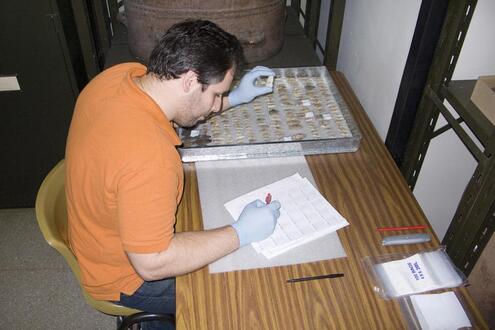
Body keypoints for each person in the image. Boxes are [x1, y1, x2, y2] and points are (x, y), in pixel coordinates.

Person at [65, 19, 281, 329]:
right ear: (190, 81)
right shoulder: (149, 156)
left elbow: (178, 109)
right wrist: (240, 233)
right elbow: (152, 264)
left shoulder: (119, 77)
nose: (217, 103)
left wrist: (233, 99)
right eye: (218, 93)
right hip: (127, 276)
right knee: (243, 285)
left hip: (96, 236)